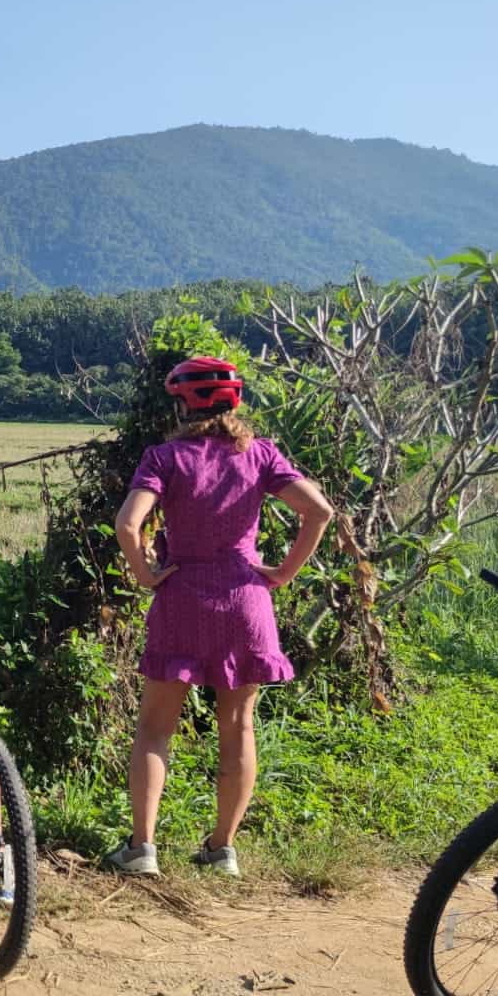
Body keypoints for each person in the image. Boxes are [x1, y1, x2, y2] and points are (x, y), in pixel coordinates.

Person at [103, 356, 333, 879]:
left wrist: (145, 574)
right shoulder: (261, 454)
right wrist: (283, 573)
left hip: (182, 598)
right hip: (247, 602)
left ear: (182, 405)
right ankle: (221, 849)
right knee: (238, 727)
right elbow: (319, 511)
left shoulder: (165, 457)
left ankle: (142, 848)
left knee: (155, 729)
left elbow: (128, 524)